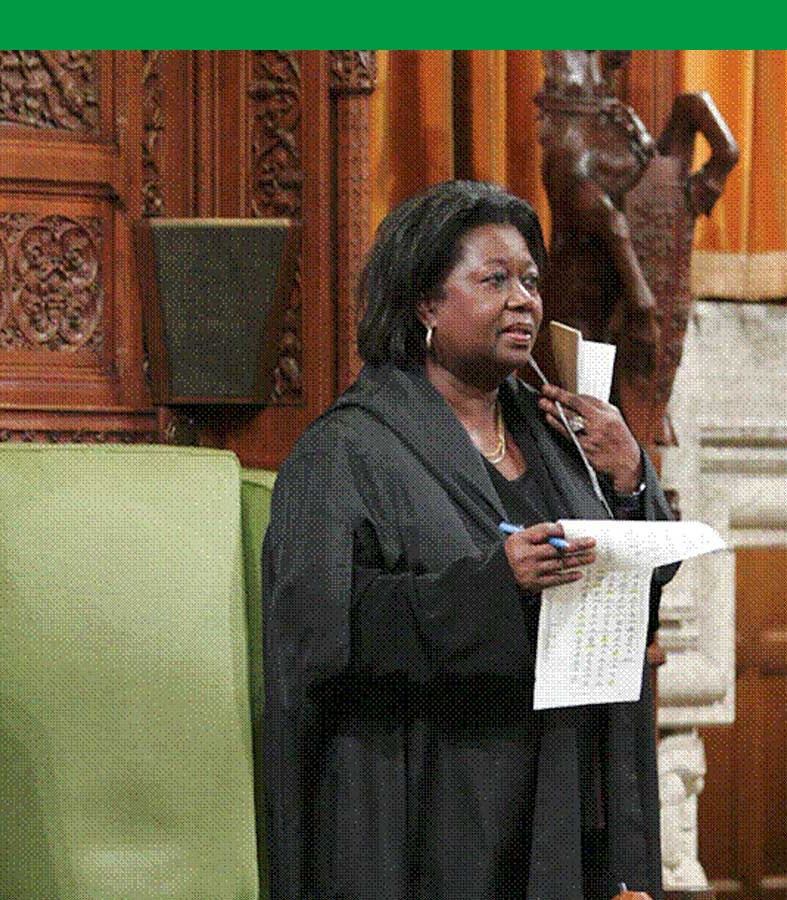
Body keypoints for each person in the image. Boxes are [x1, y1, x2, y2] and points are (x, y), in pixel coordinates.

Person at [262, 179, 678, 900]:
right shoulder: (346, 450)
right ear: (425, 302)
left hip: (567, 793)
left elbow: (630, 572)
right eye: (495, 280)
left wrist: (631, 481)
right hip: (437, 810)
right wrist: (492, 589)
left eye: (530, 281)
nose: (525, 300)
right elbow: (312, 631)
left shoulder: (558, 434)